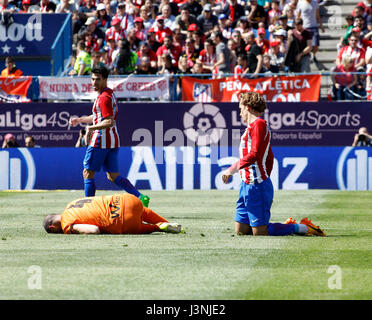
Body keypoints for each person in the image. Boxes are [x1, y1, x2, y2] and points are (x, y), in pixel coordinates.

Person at [221, 91, 326, 237]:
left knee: (260, 233)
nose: (240, 113)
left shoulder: (259, 124)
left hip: (256, 186)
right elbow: (269, 156)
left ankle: (302, 227)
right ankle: (287, 225)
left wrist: (231, 170)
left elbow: (255, 154)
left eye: (240, 109)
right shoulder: (252, 127)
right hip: (246, 185)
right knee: (241, 231)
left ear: (248, 107)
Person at [69, 66, 150, 207]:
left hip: (100, 140)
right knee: (113, 176)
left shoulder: (103, 98)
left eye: (98, 80)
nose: (94, 83)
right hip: (112, 141)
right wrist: (81, 120)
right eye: (93, 79)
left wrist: (90, 128)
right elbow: (98, 117)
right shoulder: (109, 93)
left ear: (105, 80)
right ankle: (140, 197)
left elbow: (108, 121)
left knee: (87, 173)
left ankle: (89, 207)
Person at [42, 193, 184, 235]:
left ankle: (159, 227)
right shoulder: (70, 203)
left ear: (53, 228)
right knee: (144, 211)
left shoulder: (67, 225)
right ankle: (168, 223)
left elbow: (94, 230)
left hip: (122, 220)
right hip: (128, 199)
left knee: (146, 227)